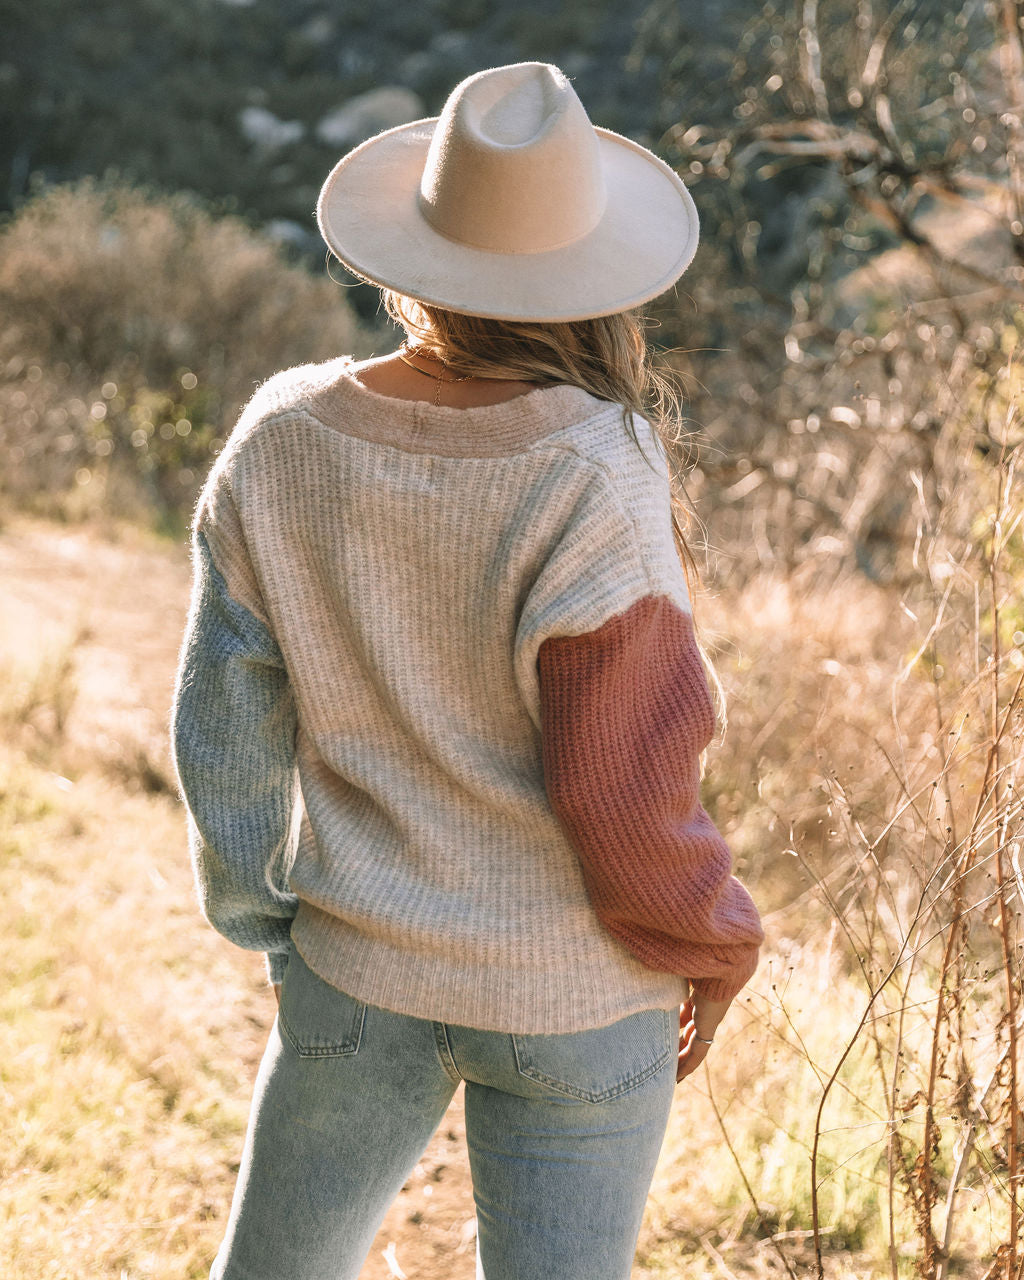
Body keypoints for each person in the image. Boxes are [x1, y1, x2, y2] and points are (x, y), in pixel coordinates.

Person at [172, 61, 763, 1280]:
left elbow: (220, 727)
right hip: (581, 999)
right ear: (596, 279)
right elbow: (623, 789)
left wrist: (267, 922)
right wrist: (715, 940)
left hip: (356, 966)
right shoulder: (598, 466)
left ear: (414, 256)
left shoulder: (279, 435)